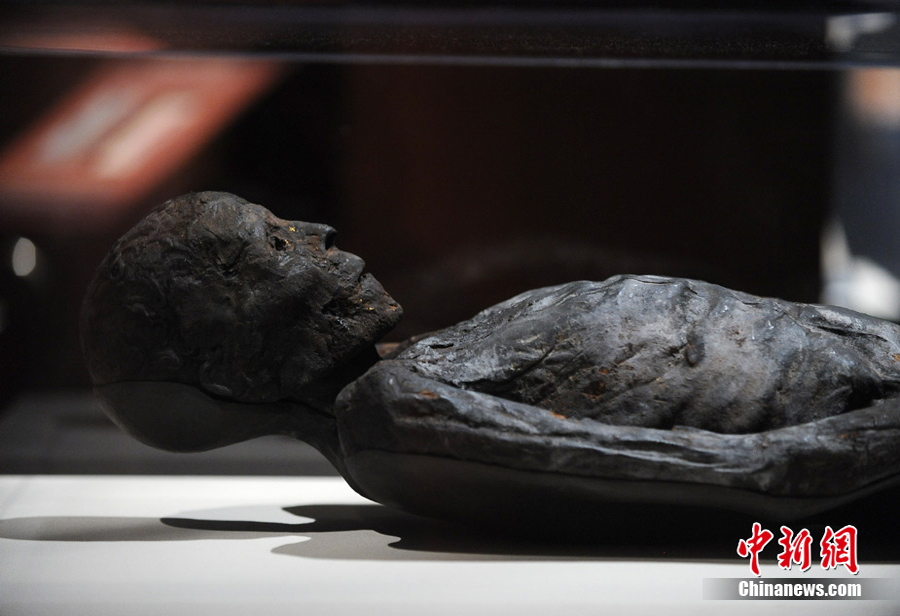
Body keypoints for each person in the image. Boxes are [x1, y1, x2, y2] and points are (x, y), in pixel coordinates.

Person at [81, 192, 900, 522]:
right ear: (228, 365)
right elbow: (739, 470)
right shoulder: (387, 412)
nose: (317, 233)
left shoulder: (414, 362)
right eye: (273, 244)